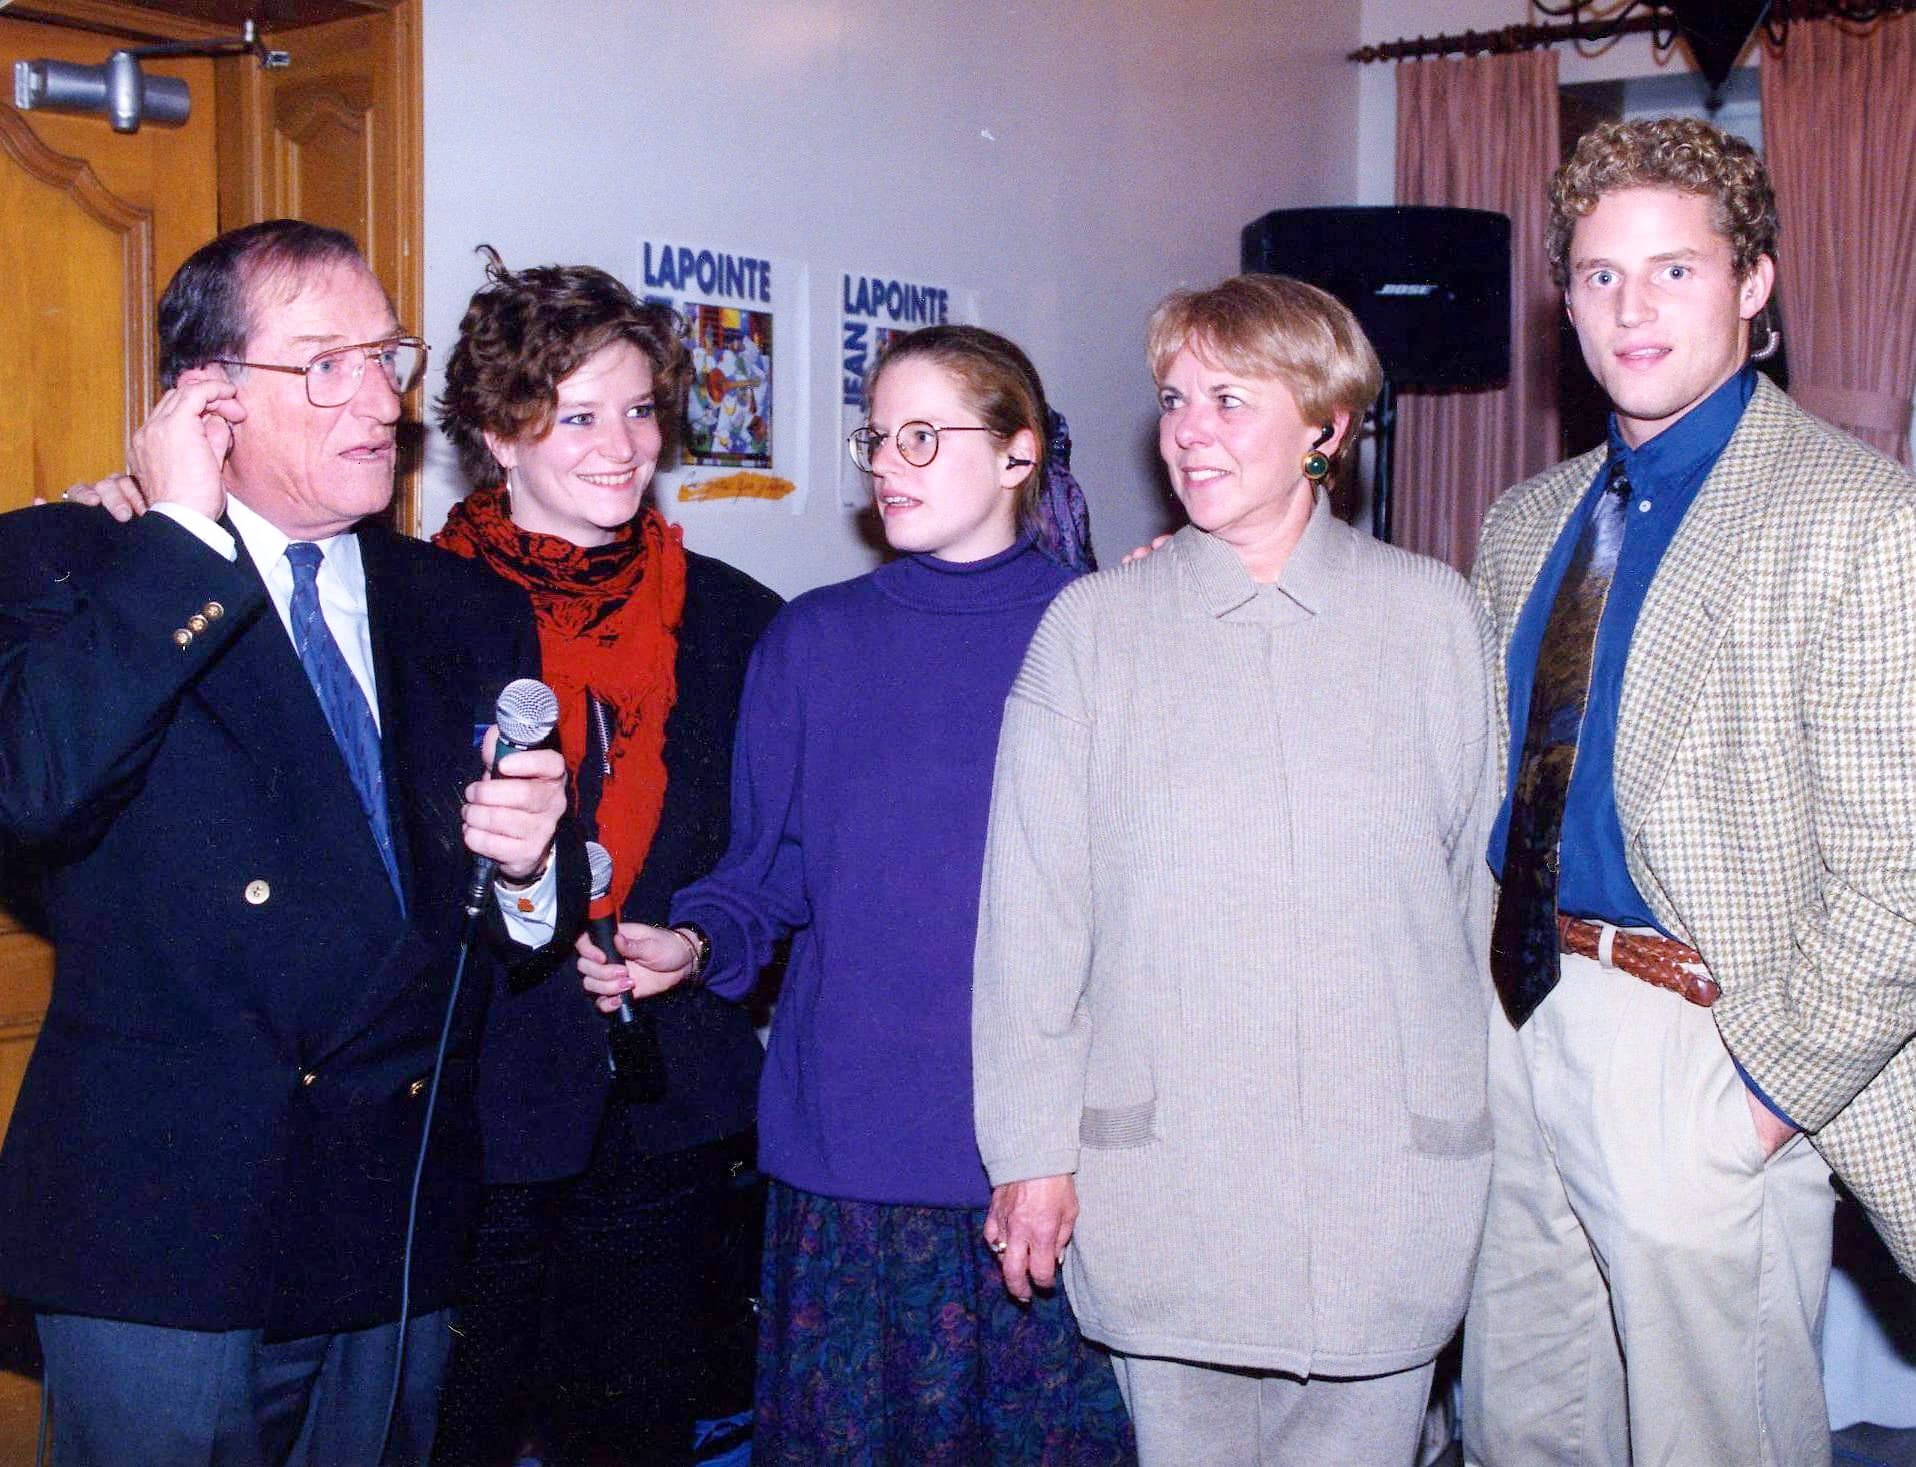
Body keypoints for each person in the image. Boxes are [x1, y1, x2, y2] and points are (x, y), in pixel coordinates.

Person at [0, 219, 575, 1466]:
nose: (380, 401)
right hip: (162, 1233)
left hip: (389, 1215)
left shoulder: (461, 606)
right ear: (205, 398)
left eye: (385, 356)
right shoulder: (70, 565)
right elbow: (31, 790)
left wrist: (535, 869)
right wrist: (176, 537)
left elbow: (496, 911)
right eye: (324, 364)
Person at [579, 324, 1131, 1464]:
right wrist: (692, 942)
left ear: (1019, 452)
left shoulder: (1106, 634)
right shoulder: (813, 637)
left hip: (1040, 1156)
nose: (886, 464)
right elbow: (765, 871)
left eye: (922, 436)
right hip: (848, 1156)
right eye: (876, 438)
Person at [972, 274, 1497, 1465]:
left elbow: (1477, 907)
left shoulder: (1432, 619)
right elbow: (1032, 924)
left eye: (1227, 399)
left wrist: (1493, 1131)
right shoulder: (1094, 631)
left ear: (1326, 426)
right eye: (1172, 399)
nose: (1187, 432)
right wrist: (1030, 1153)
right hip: (1167, 1187)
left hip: (1384, 1187)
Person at [1462, 117, 1916, 1467]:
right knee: (1521, 1425)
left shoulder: (1860, 514)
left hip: (1700, 1037)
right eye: (1600, 275)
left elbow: (1900, 869)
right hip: (1512, 1012)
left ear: (1753, 283)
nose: (1632, 309)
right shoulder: (1524, 520)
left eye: (1675, 270)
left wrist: (1761, 1097)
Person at [425, 253, 781, 1466]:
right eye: (577, 417)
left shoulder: (737, 619)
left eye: (637, 410)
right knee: (455, 1432)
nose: (622, 447)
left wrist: (698, 940)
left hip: (663, 1101)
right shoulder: (415, 612)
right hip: (471, 1101)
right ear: (496, 432)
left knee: (629, 1434)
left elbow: (780, 851)